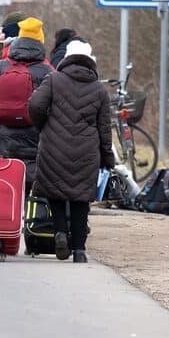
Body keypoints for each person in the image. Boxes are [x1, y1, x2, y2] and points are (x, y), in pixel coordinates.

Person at [28, 41, 114, 263]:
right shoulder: (99, 89)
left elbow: (35, 104)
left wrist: (43, 126)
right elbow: (105, 128)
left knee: (55, 191)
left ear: (67, 58)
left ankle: (59, 232)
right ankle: (79, 250)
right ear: (90, 61)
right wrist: (107, 158)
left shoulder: (54, 80)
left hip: (54, 146)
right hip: (87, 151)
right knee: (80, 199)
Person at [0, 17, 53, 194]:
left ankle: (11, 217)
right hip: (36, 134)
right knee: (33, 180)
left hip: (5, 134)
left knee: (9, 181)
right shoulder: (47, 70)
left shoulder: (1, 66)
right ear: (40, 41)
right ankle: (32, 217)